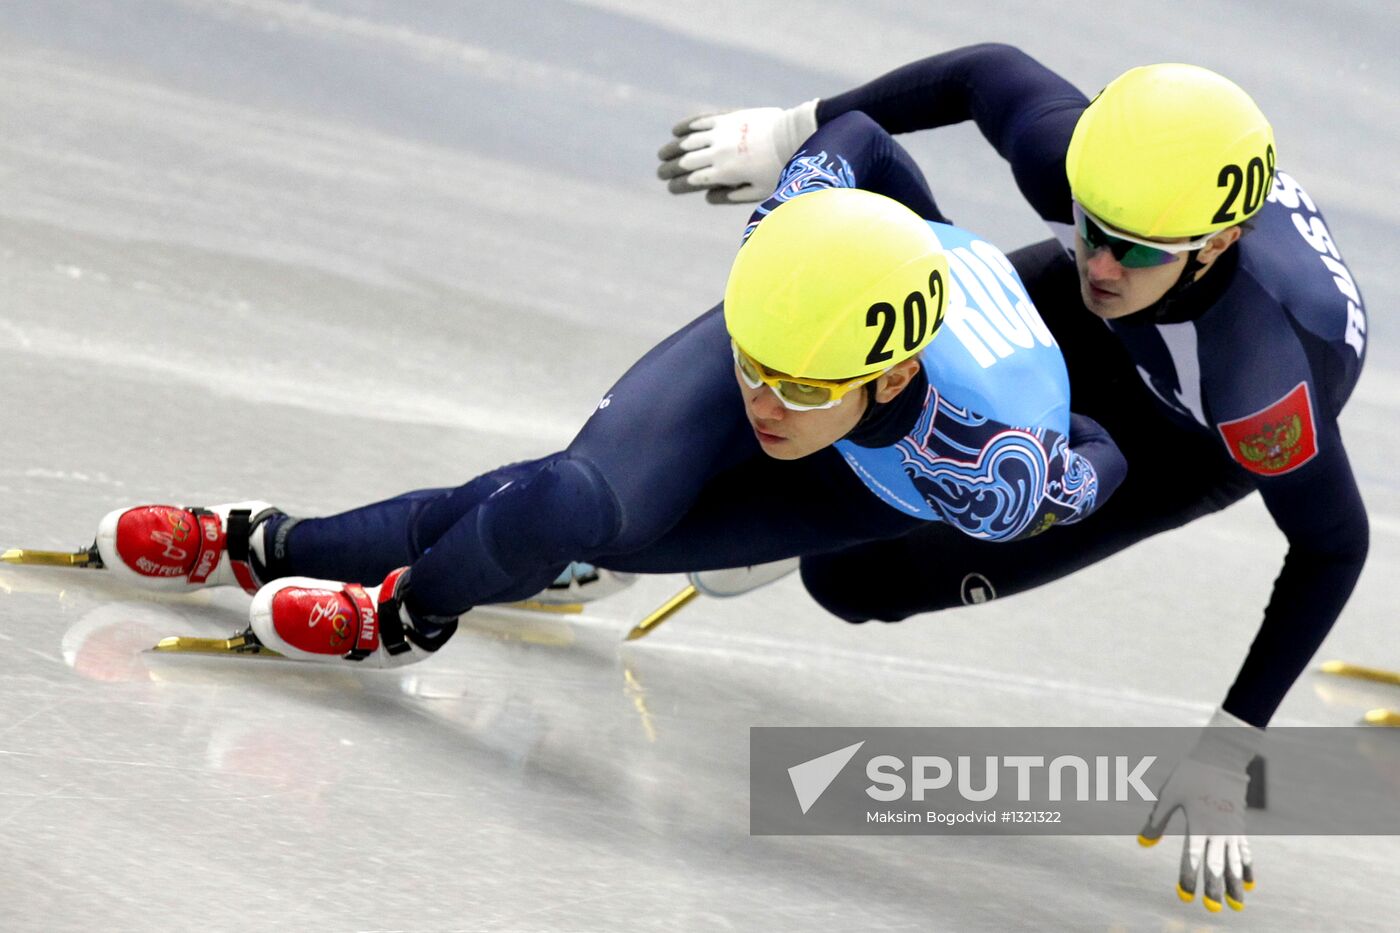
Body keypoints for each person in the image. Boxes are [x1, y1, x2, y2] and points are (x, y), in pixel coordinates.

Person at [656, 46, 1369, 913]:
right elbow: (980, 72)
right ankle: (615, 534)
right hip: (1083, 321)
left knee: (852, 582)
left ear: (1217, 243)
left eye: (1132, 248)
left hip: (1186, 438)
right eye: (1091, 226)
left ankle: (827, 511)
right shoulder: (1088, 193)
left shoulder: (1263, 387)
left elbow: (1333, 545)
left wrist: (1231, 741)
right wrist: (791, 130)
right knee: (829, 360)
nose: (1102, 262)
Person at [90, 115, 1123, 669]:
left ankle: (399, 613)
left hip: (869, 485)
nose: (763, 402)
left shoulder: (989, 471)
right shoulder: (788, 320)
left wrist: (1072, 478)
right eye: (755, 375)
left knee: (605, 538)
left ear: (889, 376)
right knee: (571, 498)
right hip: (808, 300)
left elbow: (1098, 445)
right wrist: (789, 222)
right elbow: (861, 140)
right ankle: (271, 542)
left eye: (794, 391)